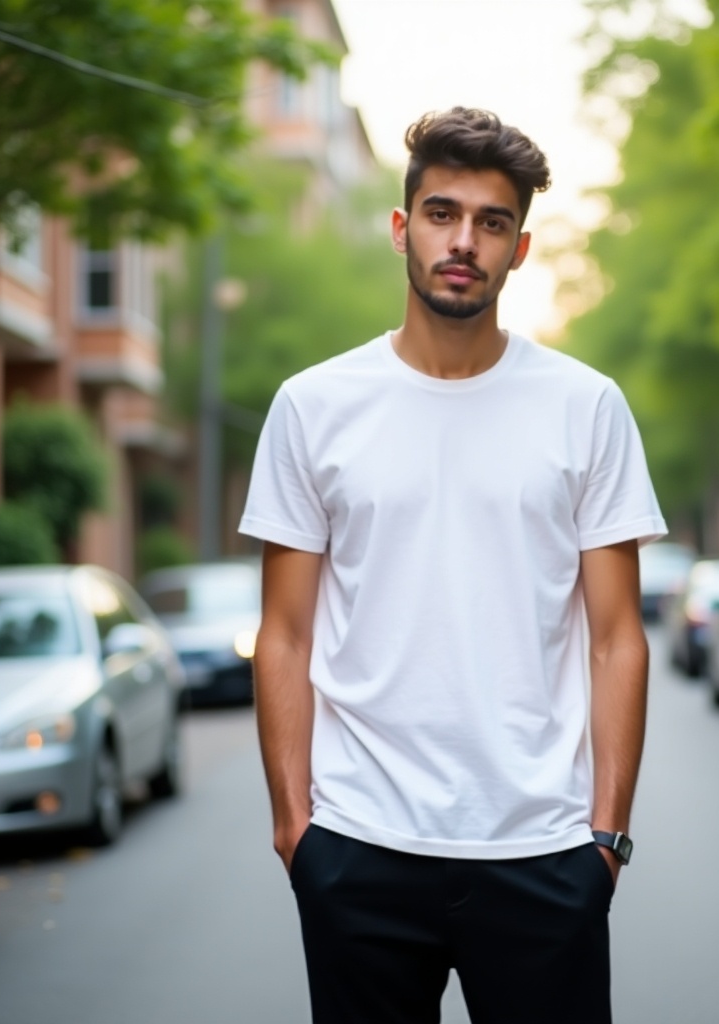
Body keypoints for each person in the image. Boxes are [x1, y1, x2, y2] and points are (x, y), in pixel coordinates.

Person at [239, 107, 667, 1024]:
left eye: (492, 221)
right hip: (358, 847)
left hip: (544, 852)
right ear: (402, 229)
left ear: (519, 247)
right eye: (441, 213)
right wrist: (295, 831)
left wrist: (606, 839)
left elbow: (617, 637)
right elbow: (284, 633)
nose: (463, 240)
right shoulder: (313, 407)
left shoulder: (585, 407)